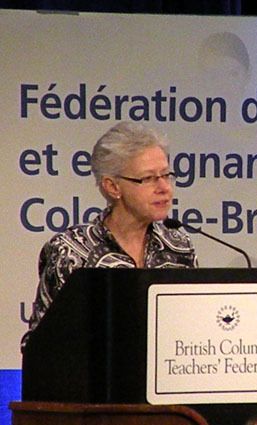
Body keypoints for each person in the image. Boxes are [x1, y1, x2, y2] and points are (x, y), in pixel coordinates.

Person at [21, 121, 198, 348]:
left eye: (166, 175)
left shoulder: (177, 246)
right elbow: (40, 346)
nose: (164, 187)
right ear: (112, 187)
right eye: (149, 178)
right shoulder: (70, 250)